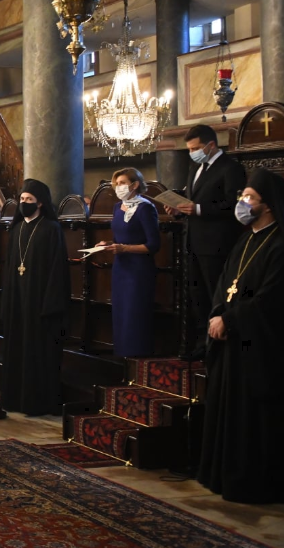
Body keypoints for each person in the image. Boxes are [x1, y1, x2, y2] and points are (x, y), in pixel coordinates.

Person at [198, 168, 284, 504]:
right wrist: (217, 313)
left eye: (250, 197)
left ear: (269, 205)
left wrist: (230, 320)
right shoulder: (245, 239)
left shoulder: (279, 245)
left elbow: (271, 299)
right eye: (242, 196)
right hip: (229, 340)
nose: (243, 203)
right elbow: (225, 283)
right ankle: (220, 473)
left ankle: (250, 483)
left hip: (256, 344)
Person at [164, 124, 246, 359]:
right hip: (193, 242)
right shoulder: (195, 168)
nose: (192, 153)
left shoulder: (230, 168)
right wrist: (178, 210)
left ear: (211, 145)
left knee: (214, 294)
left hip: (217, 244)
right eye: (190, 149)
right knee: (196, 295)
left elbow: (234, 205)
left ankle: (219, 345)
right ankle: (202, 342)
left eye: (196, 148)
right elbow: (191, 201)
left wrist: (198, 209)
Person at [0, 179, 70, 416]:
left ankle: (37, 403)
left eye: (29, 200)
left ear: (40, 203)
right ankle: (14, 400)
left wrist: (50, 304)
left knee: (37, 353)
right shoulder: (16, 229)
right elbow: (11, 268)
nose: (24, 203)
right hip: (18, 302)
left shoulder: (51, 229)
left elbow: (57, 270)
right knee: (17, 351)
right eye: (22, 199)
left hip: (39, 303)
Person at [96, 168, 160, 357]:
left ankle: (137, 356)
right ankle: (122, 354)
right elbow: (118, 238)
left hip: (139, 269)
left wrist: (124, 248)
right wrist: (107, 244)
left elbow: (153, 245)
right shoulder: (117, 207)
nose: (118, 187)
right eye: (116, 184)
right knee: (121, 311)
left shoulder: (145, 208)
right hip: (121, 267)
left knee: (135, 312)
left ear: (135, 185)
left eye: (122, 183)